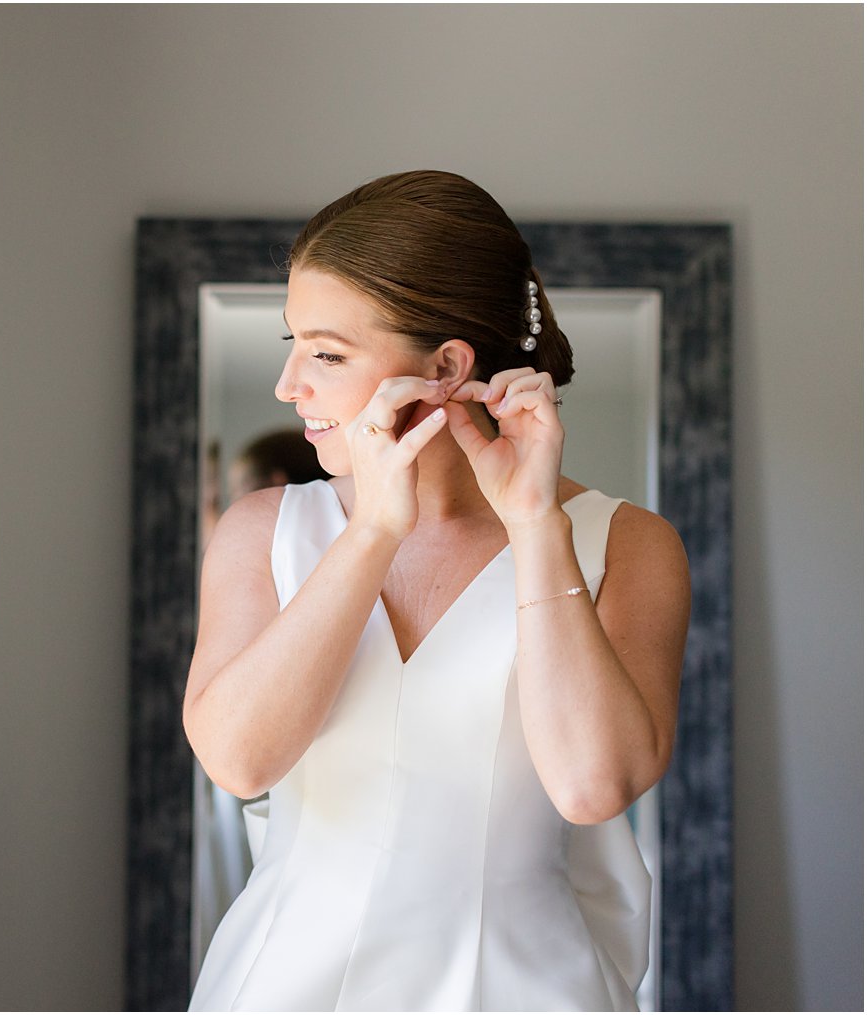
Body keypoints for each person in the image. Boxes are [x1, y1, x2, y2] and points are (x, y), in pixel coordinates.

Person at [182, 170, 690, 1011]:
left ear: (447, 365)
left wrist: (535, 528)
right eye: (291, 345)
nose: (289, 387)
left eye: (326, 353)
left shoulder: (628, 545)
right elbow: (238, 761)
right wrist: (373, 530)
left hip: (520, 986)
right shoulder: (260, 531)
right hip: (283, 982)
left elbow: (593, 785)